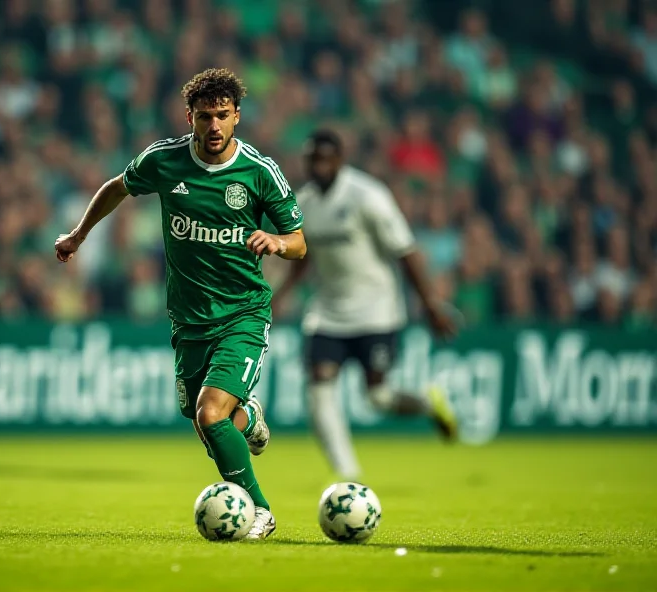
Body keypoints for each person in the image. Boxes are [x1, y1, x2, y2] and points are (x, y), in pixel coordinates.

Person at [54, 69, 306, 540]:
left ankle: (260, 512)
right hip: (189, 320)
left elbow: (300, 243)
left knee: (211, 414)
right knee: (207, 423)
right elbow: (117, 187)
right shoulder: (164, 161)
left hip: (243, 313)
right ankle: (248, 418)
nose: (214, 126)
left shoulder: (258, 171)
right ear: (189, 117)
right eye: (205, 116)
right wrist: (79, 234)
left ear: (237, 117)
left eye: (223, 116)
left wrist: (276, 241)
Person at [272, 130, 458, 481]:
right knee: (318, 386)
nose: (320, 166)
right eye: (313, 159)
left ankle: (429, 404)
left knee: (378, 397)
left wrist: (431, 304)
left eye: (327, 158)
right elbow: (302, 258)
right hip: (326, 312)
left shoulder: (368, 196)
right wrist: (280, 297)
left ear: (341, 160)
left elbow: (406, 251)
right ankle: (347, 475)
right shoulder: (304, 203)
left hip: (376, 310)